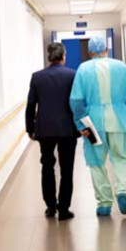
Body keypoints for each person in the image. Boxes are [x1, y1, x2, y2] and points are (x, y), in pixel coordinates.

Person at [69, 36, 126, 216]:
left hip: (93, 124)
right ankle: (123, 190)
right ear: (106, 50)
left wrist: (80, 122)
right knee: (121, 156)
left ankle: (104, 203)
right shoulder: (120, 66)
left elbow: (76, 100)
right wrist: (122, 105)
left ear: (90, 52)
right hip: (118, 120)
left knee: (96, 161)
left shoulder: (83, 69)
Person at [25, 42, 80, 221]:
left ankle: (50, 206)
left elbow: (31, 105)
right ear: (63, 56)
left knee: (47, 166)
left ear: (49, 57)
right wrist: (81, 125)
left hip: (45, 129)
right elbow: (77, 102)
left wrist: (30, 128)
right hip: (67, 128)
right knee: (67, 168)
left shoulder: (37, 77)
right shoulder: (72, 75)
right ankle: (63, 209)